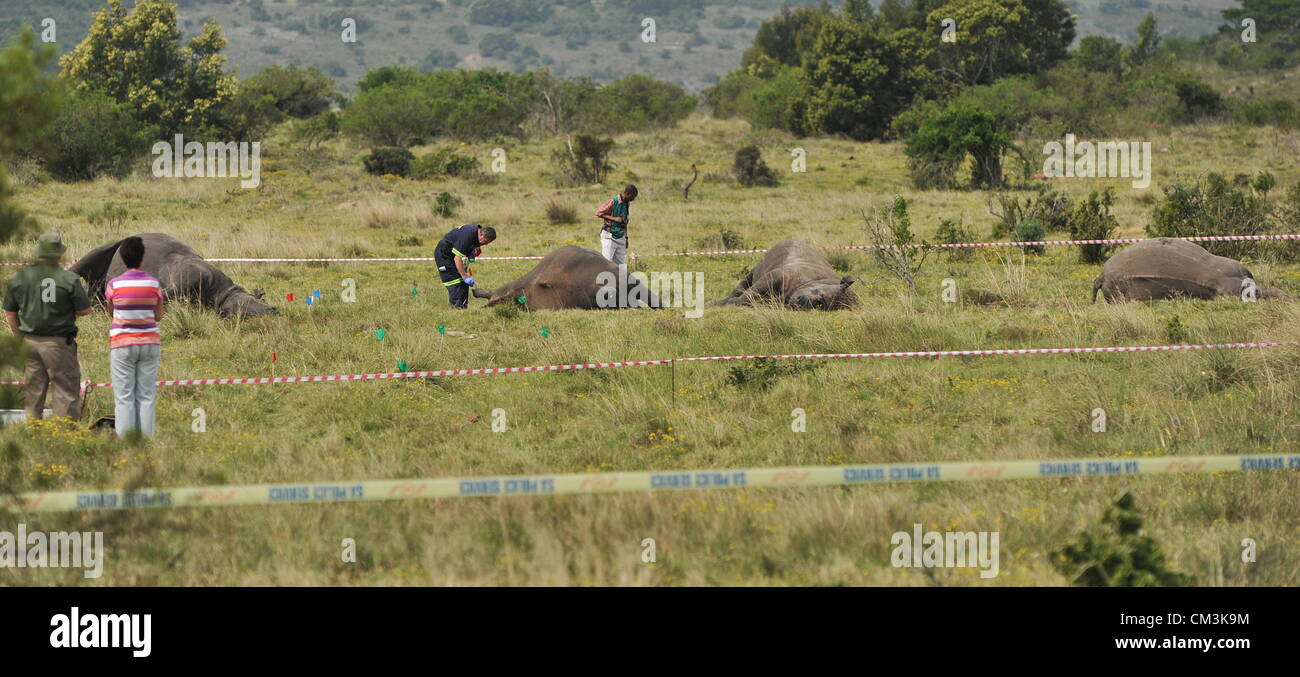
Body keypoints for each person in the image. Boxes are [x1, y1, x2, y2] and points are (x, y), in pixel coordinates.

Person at [2, 233, 92, 421]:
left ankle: (34, 432)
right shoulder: (69, 278)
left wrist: (21, 338)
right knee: (65, 389)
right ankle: (64, 435)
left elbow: (10, 313)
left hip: (30, 342)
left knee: (34, 392)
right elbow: (85, 310)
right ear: (59, 255)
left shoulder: (19, 278)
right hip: (58, 343)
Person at [105, 236, 165, 438]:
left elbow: (111, 311)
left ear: (122, 258)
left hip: (122, 344)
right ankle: (146, 440)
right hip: (149, 342)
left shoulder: (114, 285)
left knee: (124, 396)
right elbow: (158, 315)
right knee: (147, 395)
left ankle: (126, 441)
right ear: (142, 257)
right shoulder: (154, 284)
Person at [434, 224, 496, 308]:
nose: (485, 244)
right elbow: (457, 258)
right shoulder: (467, 236)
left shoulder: (478, 232)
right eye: (485, 242)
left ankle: (463, 308)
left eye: (488, 243)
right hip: (444, 255)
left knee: (463, 284)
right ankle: (457, 310)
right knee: (455, 282)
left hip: (454, 255)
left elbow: (471, 246)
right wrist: (465, 277)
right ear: (481, 234)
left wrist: (471, 254)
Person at [595, 184, 637, 264]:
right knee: (607, 263)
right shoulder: (614, 201)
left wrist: (626, 238)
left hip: (620, 237)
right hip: (609, 236)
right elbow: (598, 213)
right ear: (627, 194)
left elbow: (624, 221)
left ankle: (621, 277)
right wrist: (614, 218)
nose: (633, 199)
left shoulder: (626, 204)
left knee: (621, 265)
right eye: (633, 197)